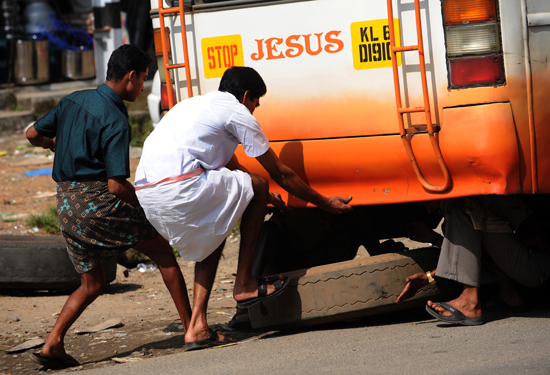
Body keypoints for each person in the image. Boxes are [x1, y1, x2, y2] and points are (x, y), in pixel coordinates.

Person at [134, 66, 353, 350]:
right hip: (180, 185)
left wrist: (261, 197)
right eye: (256, 104)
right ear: (247, 96)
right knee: (259, 184)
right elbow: (280, 174)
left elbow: (228, 165)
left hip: (147, 191)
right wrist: (325, 203)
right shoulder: (238, 113)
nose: (255, 111)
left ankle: (197, 327)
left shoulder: (194, 104)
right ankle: (245, 283)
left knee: (217, 226)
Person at [26, 45, 192, 368]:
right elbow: (116, 186)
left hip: (66, 204)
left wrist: (53, 144)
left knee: (94, 283)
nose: (143, 87)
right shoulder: (116, 118)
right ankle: (193, 328)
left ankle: (52, 344)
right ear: (130, 77)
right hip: (96, 203)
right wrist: (146, 207)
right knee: (162, 252)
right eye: (143, 79)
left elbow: (33, 133)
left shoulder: (71, 99)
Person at [396, 195, 550, 325]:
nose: (428, 211)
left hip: (536, 266)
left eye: (428, 202)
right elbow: (471, 253)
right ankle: (509, 294)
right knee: (453, 225)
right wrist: (434, 239)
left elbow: (476, 257)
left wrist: (428, 277)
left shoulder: (466, 203)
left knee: (461, 209)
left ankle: (469, 301)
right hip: (526, 269)